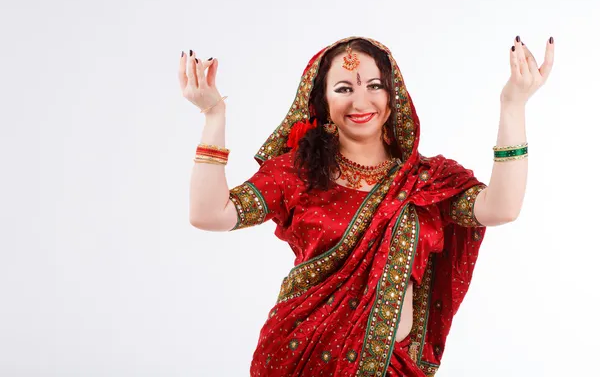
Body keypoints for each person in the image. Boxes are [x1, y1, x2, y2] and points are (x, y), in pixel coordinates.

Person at [180, 36, 554, 376]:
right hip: (300, 358)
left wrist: (513, 105)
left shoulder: (426, 182)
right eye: (344, 88)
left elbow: (501, 207)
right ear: (323, 105)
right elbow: (210, 214)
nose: (361, 101)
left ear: (394, 98)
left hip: (392, 365)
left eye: (374, 86)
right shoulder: (296, 173)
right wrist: (214, 116)